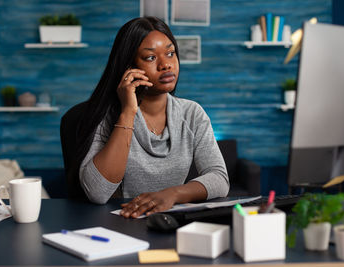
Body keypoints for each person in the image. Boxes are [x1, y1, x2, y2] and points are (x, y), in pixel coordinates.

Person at [76, 17, 229, 218]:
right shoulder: (110, 115)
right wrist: (128, 112)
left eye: (170, 53)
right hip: (120, 225)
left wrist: (172, 194)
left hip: (170, 224)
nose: (166, 64)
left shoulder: (192, 113)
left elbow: (219, 179)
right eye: (150, 58)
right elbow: (97, 192)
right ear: (129, 67)